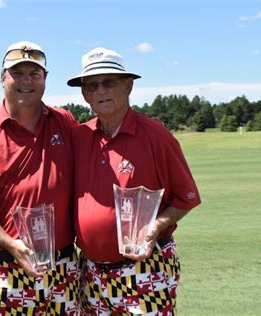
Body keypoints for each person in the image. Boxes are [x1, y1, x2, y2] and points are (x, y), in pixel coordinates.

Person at [67, 47, 201, 315]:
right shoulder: (79, 137)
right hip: (92, 272)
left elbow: (186, 197)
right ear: (84, 94)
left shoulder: (155, 135)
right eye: (92, 85)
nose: (101, 91)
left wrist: (156, 227)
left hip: (146, 268)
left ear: (128, 86)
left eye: (109, 82)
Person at [0, 41, 79, 315]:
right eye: (17, 73)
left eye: (35, 73)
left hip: (63, 266)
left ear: (45, 79)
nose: (26, 81)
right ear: (2, 78)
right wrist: (12, 244)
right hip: (4, 268)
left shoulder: (65, 121)